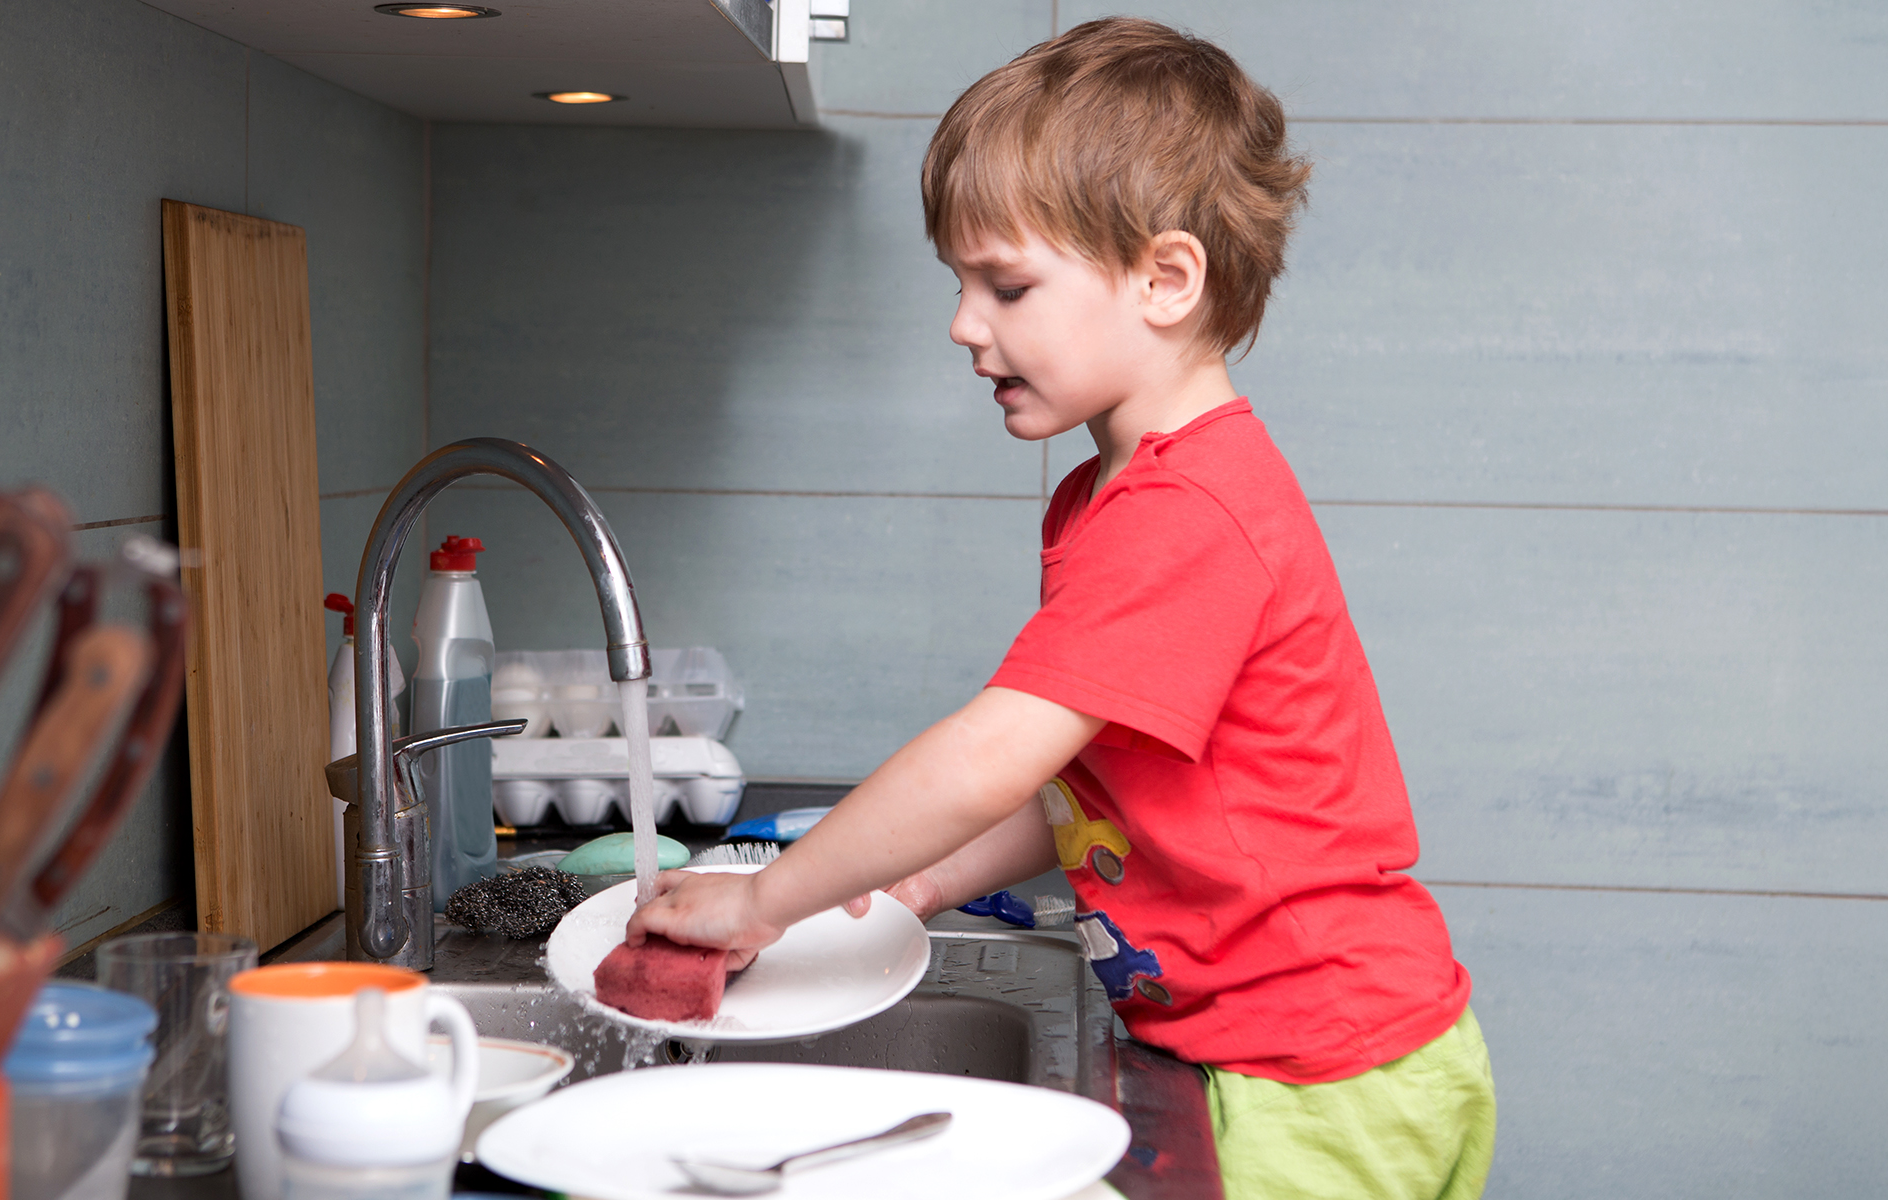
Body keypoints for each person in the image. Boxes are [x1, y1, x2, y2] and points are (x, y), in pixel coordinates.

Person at [627, 17, 1495, 1198]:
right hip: (1336, 1052)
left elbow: (995, 753)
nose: (964, 325)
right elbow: (1095, 784)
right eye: (960, 283)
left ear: (1165, 278)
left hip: (1311, 1073)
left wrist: (769, 900)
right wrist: (923, 881)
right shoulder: (1123, 495)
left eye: (1008, 284)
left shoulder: (1184, 511)